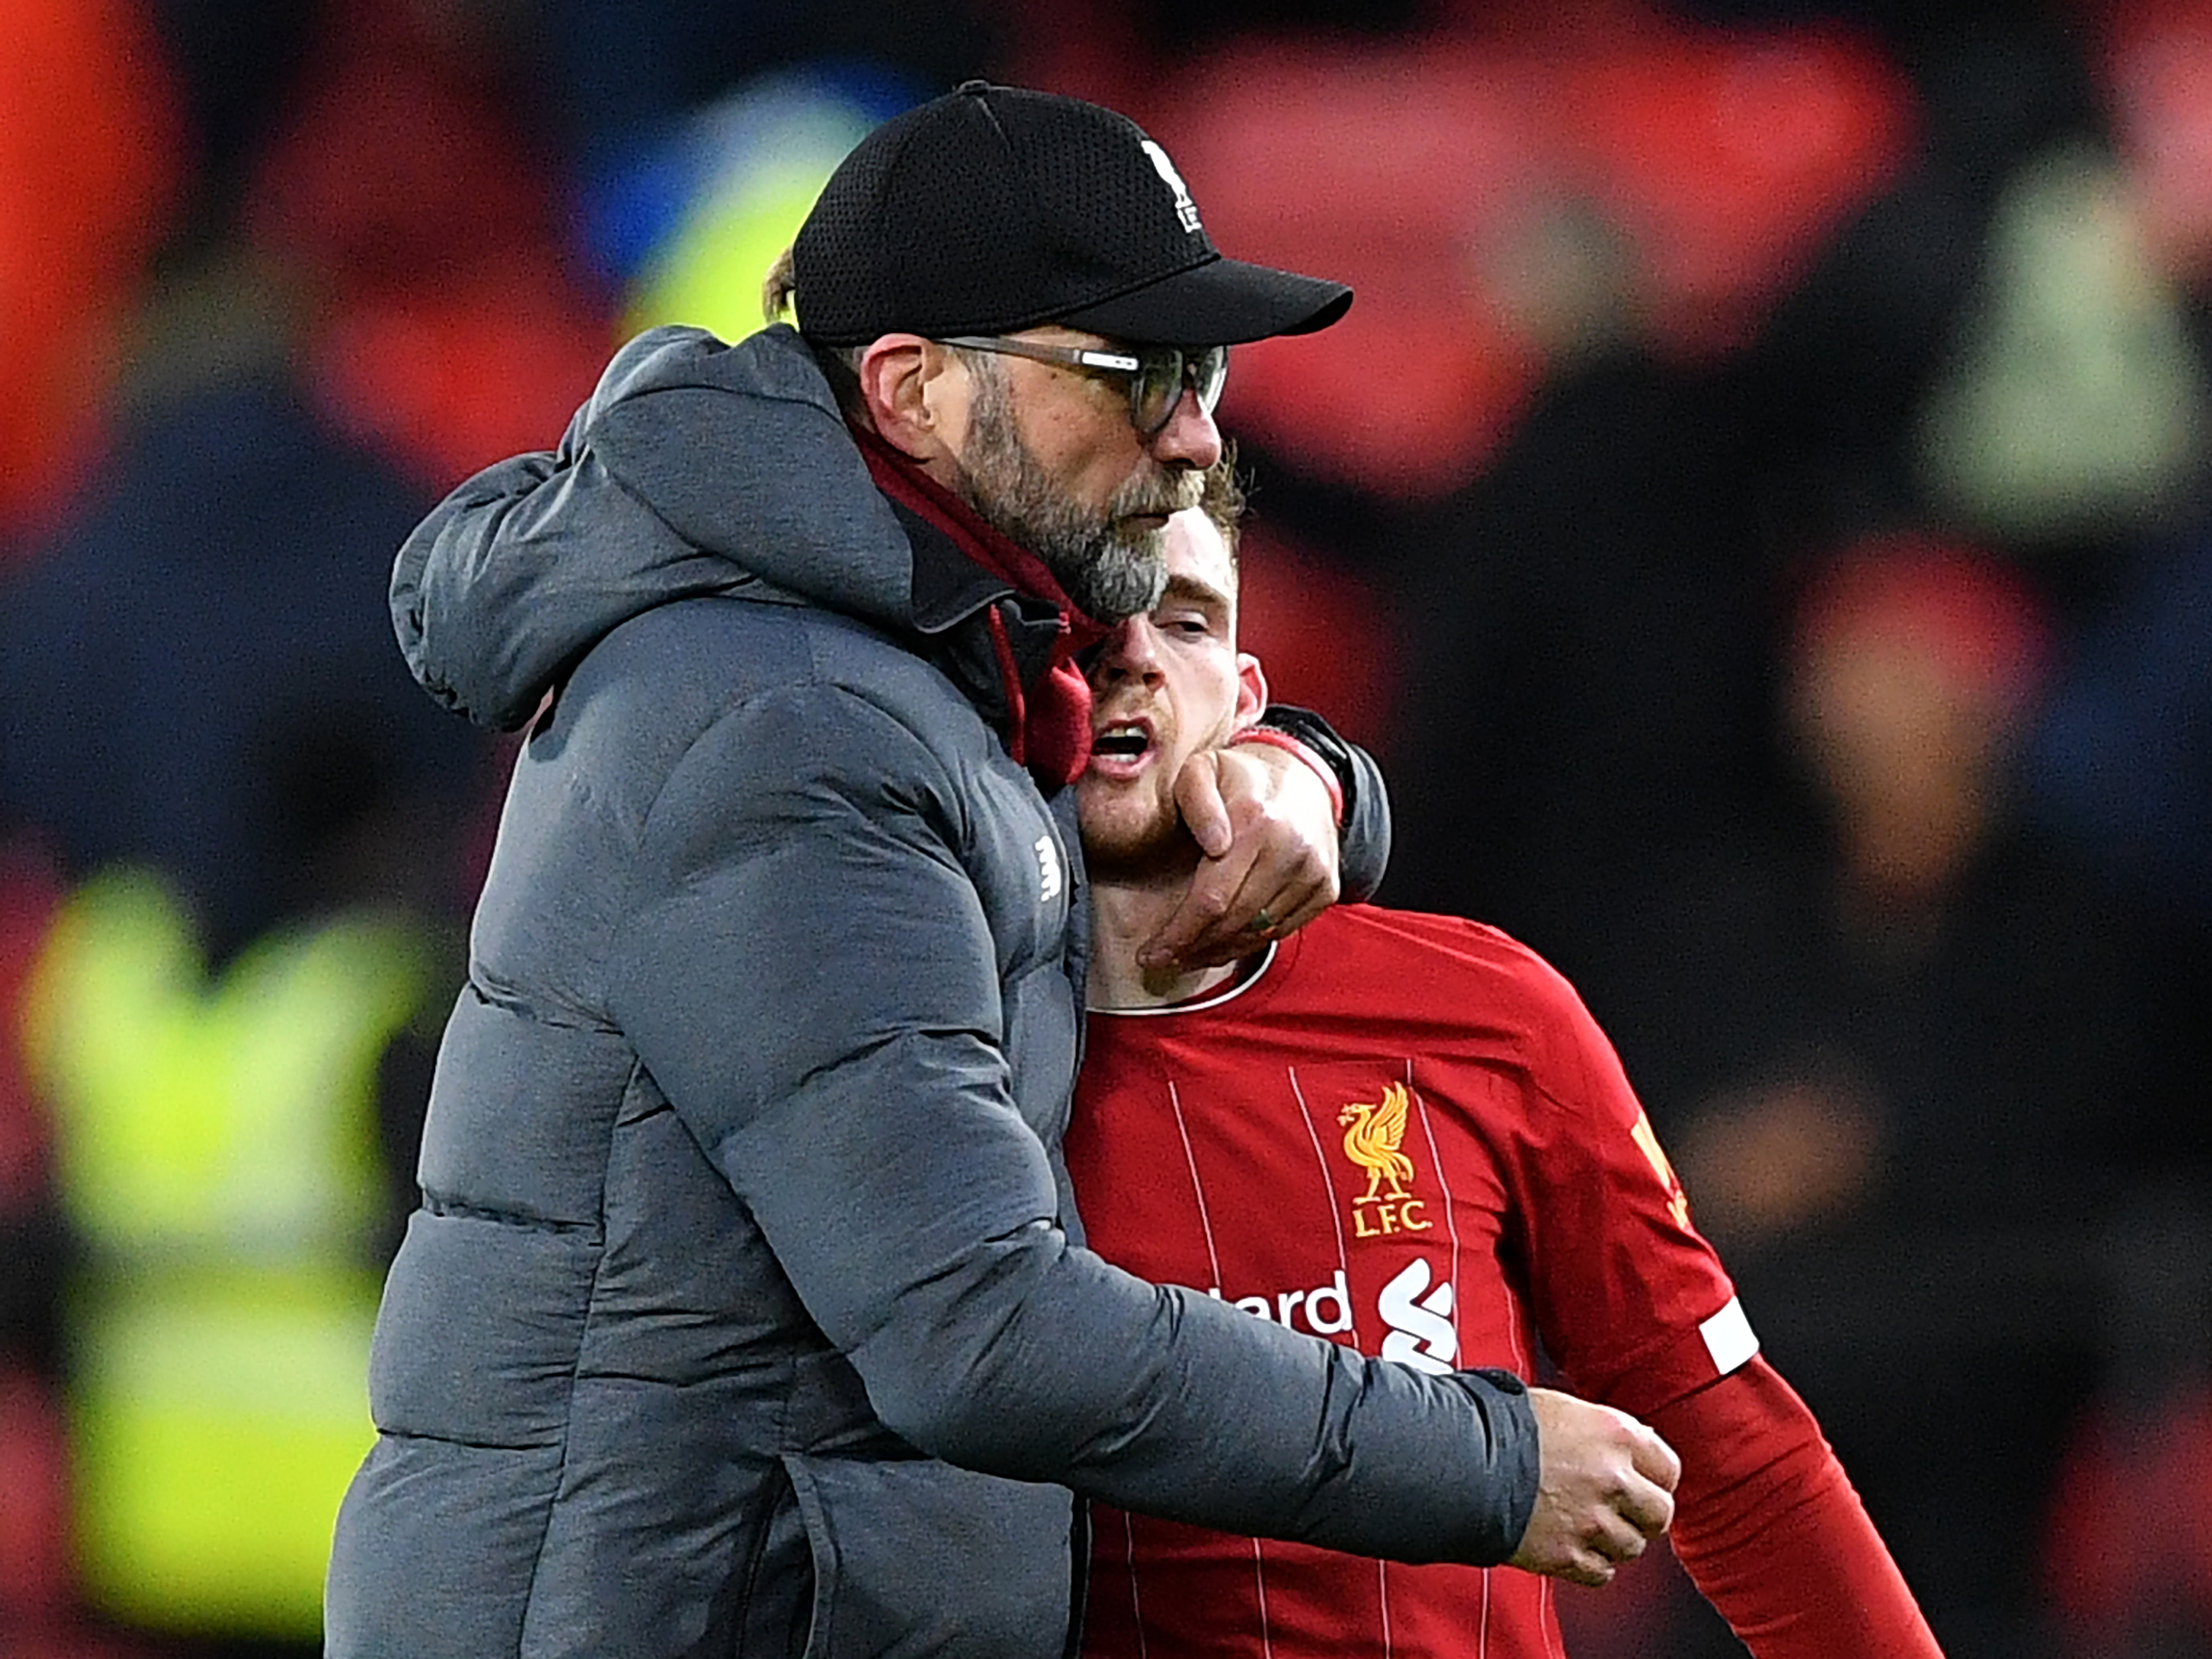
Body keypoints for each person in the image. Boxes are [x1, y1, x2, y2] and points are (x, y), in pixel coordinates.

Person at [325, 80, 1677, 1659]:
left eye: (1203, 372)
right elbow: (974, 1329)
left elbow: (1108, 758)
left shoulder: (918, 641)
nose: (1195, 434)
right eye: (1132, 374)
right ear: (910, 389)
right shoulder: (789, 727)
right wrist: (1483, 1458)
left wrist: (1305, 777)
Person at [1064, 476, 1944, 1657]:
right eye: (1089, 613)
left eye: (1186, 621)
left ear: (1249, 697)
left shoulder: (1482, 1011)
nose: (1135, 657)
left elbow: (1735, 1455)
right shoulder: (943, 1067)